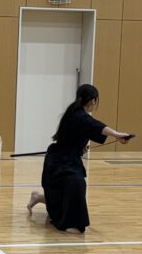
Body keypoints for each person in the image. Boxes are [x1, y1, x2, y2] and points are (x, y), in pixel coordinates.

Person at [26, 84, 131, 234]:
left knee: (62, 193)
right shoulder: (79, 115)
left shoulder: (74, 113)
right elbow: (96, 126)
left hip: (62, 159)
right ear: (93, 101)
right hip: (60, 162)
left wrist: (79, 148)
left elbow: (76, 136)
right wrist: (117, 134)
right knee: (76, 184)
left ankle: (38, 197)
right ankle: (72, 223)